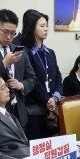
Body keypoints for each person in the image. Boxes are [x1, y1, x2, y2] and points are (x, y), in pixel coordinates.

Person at [20, 10, 62, 139]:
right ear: (32, 28)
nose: (46, 29)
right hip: (33, 110)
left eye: (46, 25)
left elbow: (58, 78)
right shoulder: (25, 52)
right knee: (33, 146)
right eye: (42, 26)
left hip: (50, 109)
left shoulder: (50, 52)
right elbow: (32, 81)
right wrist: (47, 101)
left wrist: (54, 99)